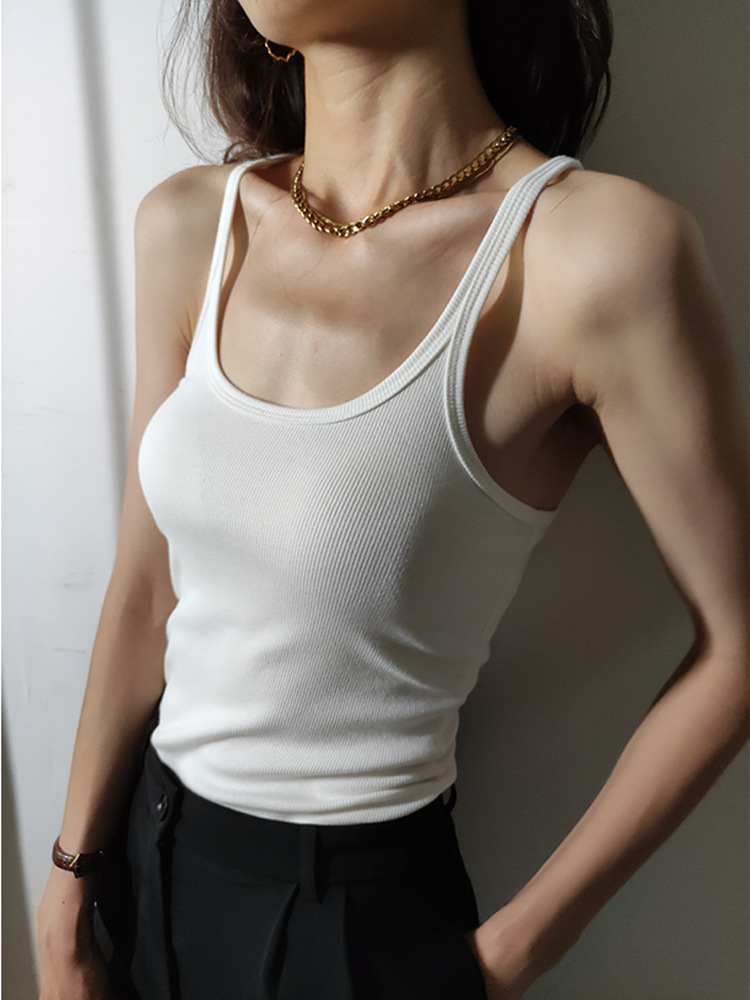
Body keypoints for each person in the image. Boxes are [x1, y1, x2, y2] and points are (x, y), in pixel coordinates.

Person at [35, 1, 748, 998]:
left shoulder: (591, 255)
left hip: (353, 925)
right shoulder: (192, 224)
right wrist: (68, 887)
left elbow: (739, 644)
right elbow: (147, 588)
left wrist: (503, 960)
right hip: (144, 861)